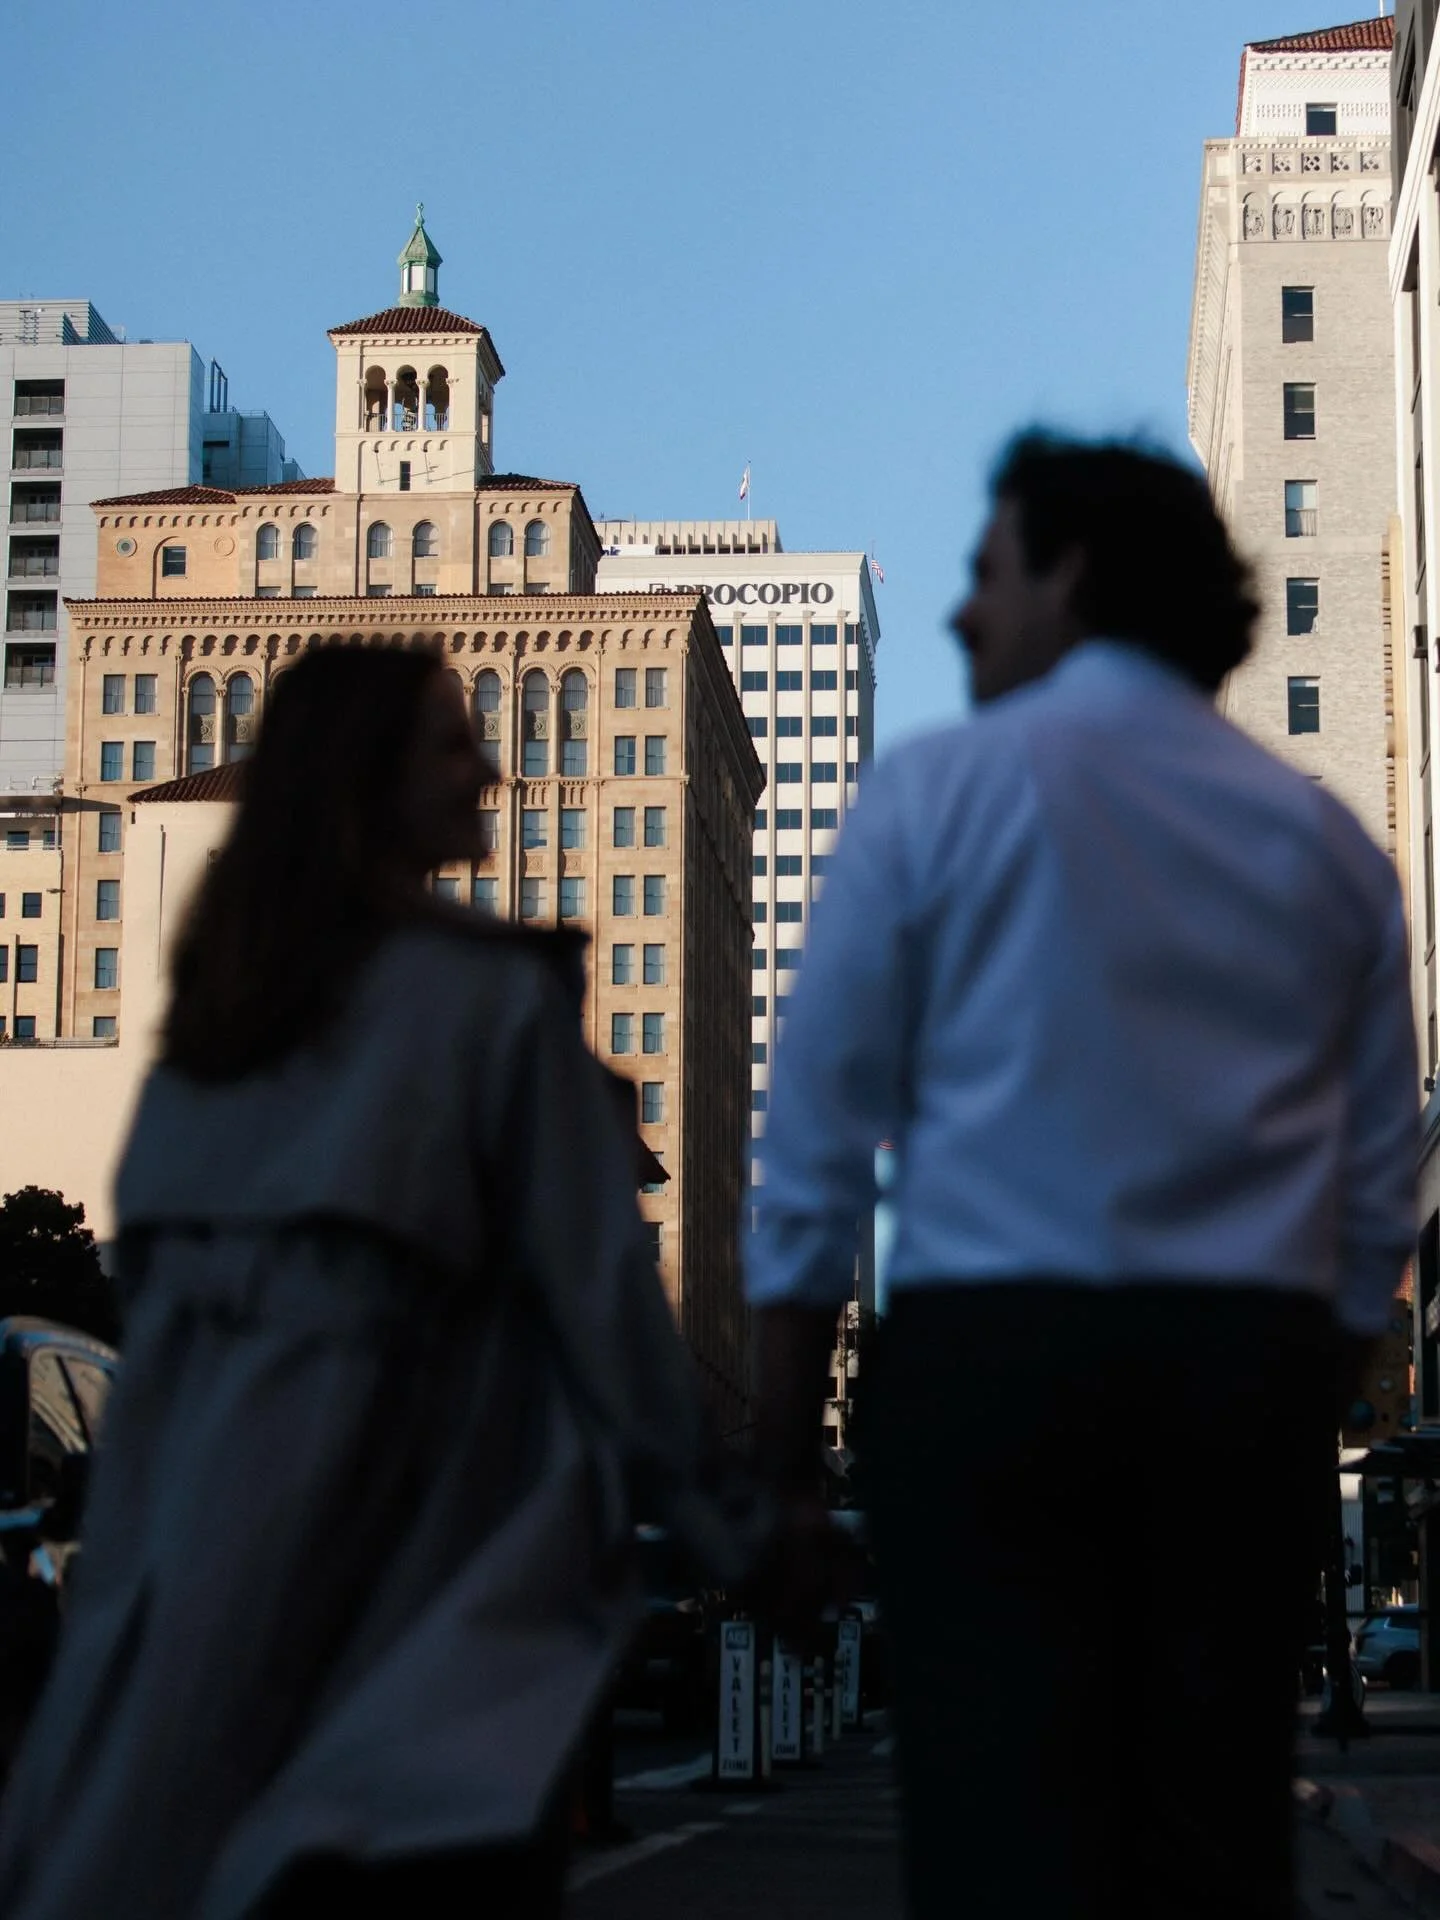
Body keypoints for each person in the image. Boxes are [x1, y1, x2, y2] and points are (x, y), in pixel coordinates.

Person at [748, 433, 1418, 1920]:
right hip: (1237, 1380)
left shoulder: (931, 795)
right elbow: (1379, 1194)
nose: (961, 612)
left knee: (996, 1839)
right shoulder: (1329, 849)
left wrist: (783, 1464)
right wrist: (1297, 1396)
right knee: (1210, 1840)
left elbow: (812, 1150)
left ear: (1071, 576)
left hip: (989, 1373)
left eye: (987, 571)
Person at [0, 645, 759, 1920]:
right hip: (423, 1574)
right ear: (365, 779)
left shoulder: (210, 1042)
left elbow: (164, 1341)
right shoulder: (490, 1003)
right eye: (453, 744)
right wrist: (739, 1531)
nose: (493, 771)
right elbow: (607, 1311)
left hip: (207, 1565)